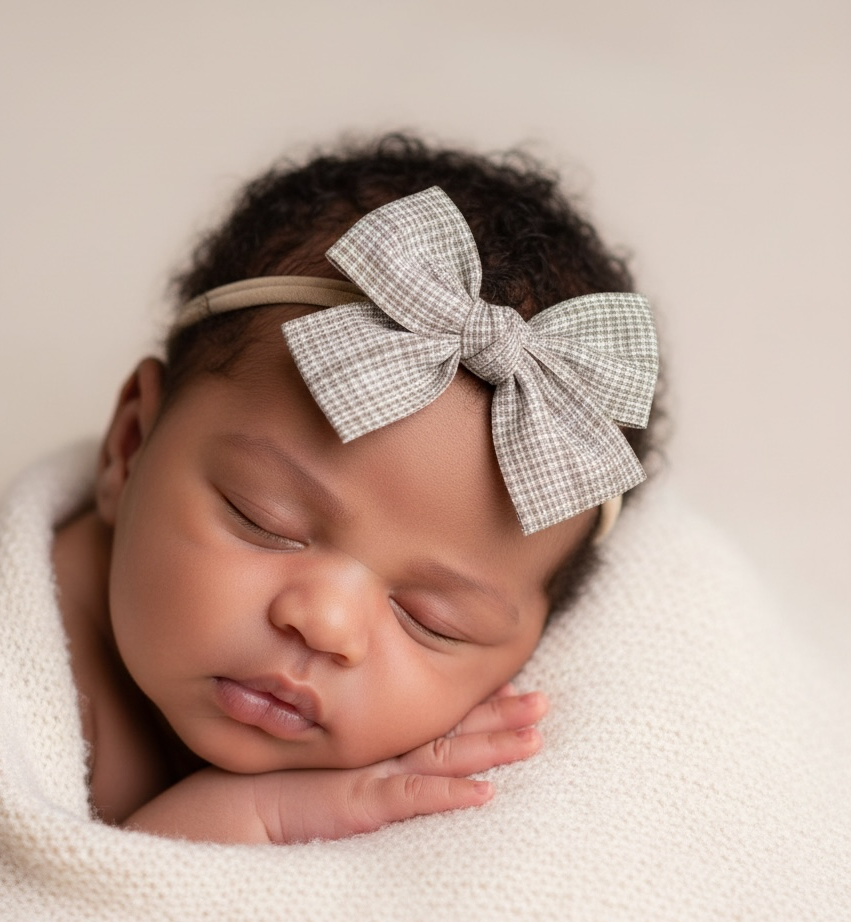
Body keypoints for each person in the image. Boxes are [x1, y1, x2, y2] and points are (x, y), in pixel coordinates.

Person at [51, 135, 660, 843]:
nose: (326, 625)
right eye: (264, 520)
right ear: (129, 449)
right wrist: (230, 824)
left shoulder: (439, 792)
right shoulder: (23, 682)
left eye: (434, 621)